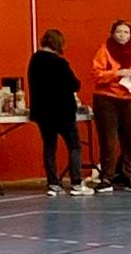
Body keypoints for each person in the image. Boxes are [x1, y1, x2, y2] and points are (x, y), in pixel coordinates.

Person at [27, 29, 88, 198]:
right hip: (63, 112)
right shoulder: (60, 63)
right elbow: (75, 85)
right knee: (74, 146)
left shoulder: (34, 60)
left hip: (42, 113)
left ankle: (53, 183)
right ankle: (76, 182)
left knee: (49, 147)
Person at [90, 20, 131, 192]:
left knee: (130, 139)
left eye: (126, 32)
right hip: (107, 99)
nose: (122, 35)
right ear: (112, 34)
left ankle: (130, 175)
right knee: (108, 140)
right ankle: (107, 177)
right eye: (119, 32)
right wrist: (117, 74)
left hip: (130, 100)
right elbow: (96, 74)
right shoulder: (104, 51)